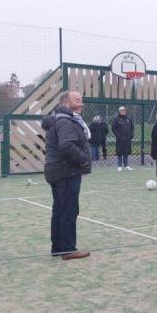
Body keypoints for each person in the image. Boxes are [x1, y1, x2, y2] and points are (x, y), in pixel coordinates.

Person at [41, 90, 92, 260]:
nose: (81, 103)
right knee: (69, 211)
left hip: (56, 171)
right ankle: (68, 249)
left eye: (81, 100)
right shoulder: (65, 121)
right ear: (66, 103)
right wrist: (84, 160)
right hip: (66, 172)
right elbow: (67, 146)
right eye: (77, 100)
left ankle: (58, 248)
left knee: (59, 210)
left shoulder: (59, 120)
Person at [112, 106, 134, 171]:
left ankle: (126, 165)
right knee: (119, 152)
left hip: (127, 139)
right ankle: (119, 166)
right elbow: (113, 128)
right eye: (121, 110)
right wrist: (117, 135)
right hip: (120, 139)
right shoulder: (116, 119)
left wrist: (131, 135)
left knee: (126, 152)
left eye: (124, 110)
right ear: (119, 111)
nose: (123, 111)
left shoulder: (129, 119)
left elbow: (132, 128)